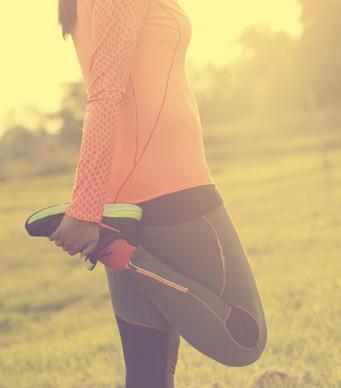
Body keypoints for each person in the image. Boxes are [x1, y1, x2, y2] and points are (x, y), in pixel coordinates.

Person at [53, 0, 268, 386]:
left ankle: (120, 252)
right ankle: (121, 255)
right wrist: (85, 209)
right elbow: (104, 94)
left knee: (148, 373)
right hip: (170, 188)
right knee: (244, 338)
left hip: (128, 200)